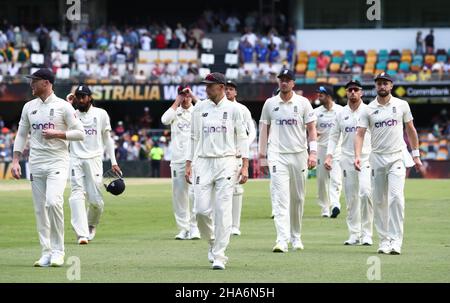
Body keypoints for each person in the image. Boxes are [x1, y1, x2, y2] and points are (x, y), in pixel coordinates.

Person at [11, 69, 85, 267]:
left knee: (53, 202)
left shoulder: (63, 106)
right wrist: (16, 160)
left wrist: (59, 134)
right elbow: (21, 134)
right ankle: (46, 252)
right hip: (35, 163)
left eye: (34, 81)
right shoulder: (28, 107)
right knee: (40, 210)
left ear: (46, 83)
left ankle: (59, 251)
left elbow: (80, 133)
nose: (31, 85)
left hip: (57, 161)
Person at [185, 72, 249, 270]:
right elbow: (193, 137)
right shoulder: (200, 108)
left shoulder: (234, 109)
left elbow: (242, 138)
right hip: (203, 162)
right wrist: (188, 163)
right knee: (200, 210)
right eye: (206, 85)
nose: (206, 89)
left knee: (223, 209)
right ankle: (213, 241)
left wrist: (245, 165)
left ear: (221, 87)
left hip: (226, 162)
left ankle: (220, 255)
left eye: (210, 86)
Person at [354, 72, 423, 255]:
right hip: (377, 158)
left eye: (385, 83)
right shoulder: (367, 109)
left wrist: (415, 155)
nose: (382, 86)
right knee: (379, 201)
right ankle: (384, 240)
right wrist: (357, 155)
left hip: (397, 156)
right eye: (379, 84)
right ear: (375, 86)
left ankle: (396, 241)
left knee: (396, 198)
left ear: (391, 85)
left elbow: (411, 129)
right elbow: (360, 133)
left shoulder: (401, 105)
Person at [258, 69, 318, 253]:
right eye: (281, 80)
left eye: (287, 80)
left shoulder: (303, 103)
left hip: (299, 154)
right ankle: (281, 240)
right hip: (277, 155)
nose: (284, 83)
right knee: (280, 198)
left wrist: (313, 153)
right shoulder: (270, 103)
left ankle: (296, 236)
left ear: (293, 83)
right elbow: (263, 129)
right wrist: (262, 157)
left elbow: (311, 129)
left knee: (298, 198)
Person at [67, 85, 121, 245]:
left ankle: (91, 225)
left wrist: (114, 162)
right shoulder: (71, 114)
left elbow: (107, 139)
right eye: (78, 96)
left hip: (94, 160)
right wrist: (67, 103)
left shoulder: (101, 114)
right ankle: (81, 234)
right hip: (75, 159)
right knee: (76, 195)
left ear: (90, 97)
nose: (81, 99)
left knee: (96, 201)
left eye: (83, 96)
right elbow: (58, 121)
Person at [324, 80, 373, 245]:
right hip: (346, 158)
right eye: (350, 90)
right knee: (351, 197)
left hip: (367, 157)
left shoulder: (369, 111)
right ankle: (354, 234)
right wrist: (329, 155)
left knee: (366, 193)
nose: (352, 92)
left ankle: (367, 234)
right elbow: (333, 136)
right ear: (346, 92)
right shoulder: (341, 113)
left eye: (356, 90)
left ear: (361, 93)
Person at [161, 85, 200, 240]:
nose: (186, 98)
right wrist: (177, 101)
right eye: (183, 95)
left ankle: (195, 227)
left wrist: (193, 96)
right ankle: (183, 229)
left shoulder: (197, 111)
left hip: (196, 159)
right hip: (177, 159)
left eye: (187, 95)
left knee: (195, 194)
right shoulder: (175, 112)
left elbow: (207, 111)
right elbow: (164, 120)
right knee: (179, 195)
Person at [225, 80, 257, 236]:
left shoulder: (242, 109)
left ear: (235, 92)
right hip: (222, 154)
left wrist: (242, 148)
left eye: (231, 89)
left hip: (237, 154)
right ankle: (222, 224)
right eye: (226, 89)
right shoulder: (219, 108)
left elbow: (251, 132)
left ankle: (234, 226)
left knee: (236, 189)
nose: (228, 92)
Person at [313, 86, 343, 218]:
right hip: (321, 149)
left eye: (322, 94)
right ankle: (324, 207)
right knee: (321, 180)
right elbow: (309, 128)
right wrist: (314, 132)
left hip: (337, 150)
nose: (319, 96)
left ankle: (335, 204)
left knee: (336, 179)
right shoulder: (316, 112)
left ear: (329, 95)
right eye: (318, 94)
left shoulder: (341, 111)